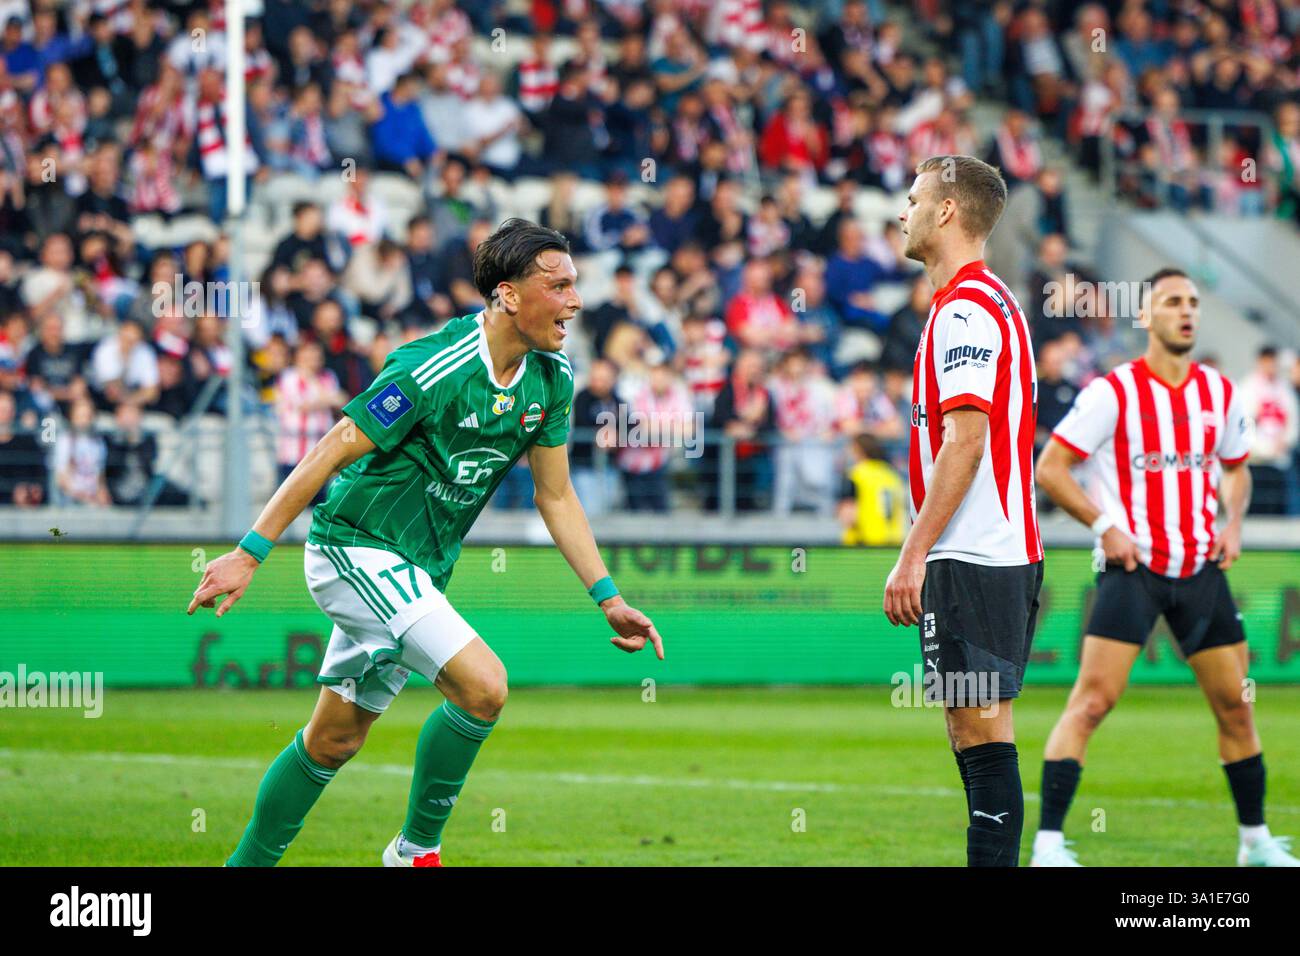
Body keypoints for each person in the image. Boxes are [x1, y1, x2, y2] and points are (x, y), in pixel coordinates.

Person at [188, 220, 663, 868]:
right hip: (355, 548)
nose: (575, 300)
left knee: (332, 741)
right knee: (485, 687)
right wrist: (250, 552)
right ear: (508, 295)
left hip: (417, 570)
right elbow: (330, 450)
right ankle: (415, 852)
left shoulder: (552, 378)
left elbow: (556, 496)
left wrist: (608, 598)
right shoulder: (434, 367)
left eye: (575, 284)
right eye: (559, 286)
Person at [1030, 268, 1299, 868]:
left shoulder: (1219, 393)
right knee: (1092, 703)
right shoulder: (1113, 392)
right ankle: (1048, 844)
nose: (1187, 311)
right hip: (1134, 570)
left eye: (1193, 302)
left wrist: (1233, 524)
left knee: (1236, 706)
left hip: (1201, 570)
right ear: (1144, 316)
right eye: (1172, 301)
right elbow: (1050, 468)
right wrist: (1105, 526)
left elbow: (1236, 468)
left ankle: (1254, 841)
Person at [883, 154, 1042, 867]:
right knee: (971, 731)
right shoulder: (981, 301)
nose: (903, 211)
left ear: (947, 210)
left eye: (914, 198)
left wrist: (912, 553)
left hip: (976, 552)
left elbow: (966, 442)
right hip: (987, 550)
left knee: (980, 732)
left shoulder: (967, 308)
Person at [839, 434, 905, 546]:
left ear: (858, 450)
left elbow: (848, 516)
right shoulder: (892, 475)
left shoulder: (855, 474)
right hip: (893, 542)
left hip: (863, 543)